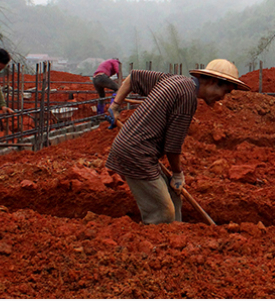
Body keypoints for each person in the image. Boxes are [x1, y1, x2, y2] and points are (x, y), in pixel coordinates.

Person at [105, 59, 250, 224]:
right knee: (163, 213)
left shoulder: (174, 80)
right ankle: (159, 241)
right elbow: (172, 146)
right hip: (136, 153)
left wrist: (116, 105)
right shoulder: (188, 98)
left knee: (174, 195)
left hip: (142, 151)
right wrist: (177, 174)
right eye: (225, 92)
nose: (222, 98)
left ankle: (179, 234)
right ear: (213, 82)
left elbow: (133, 78)